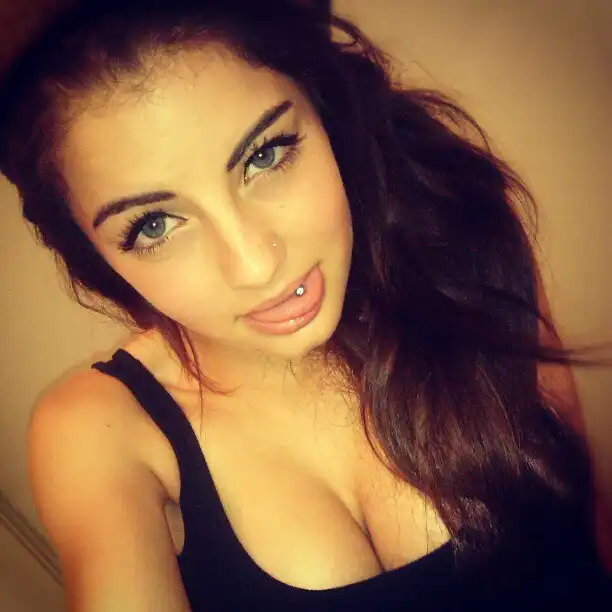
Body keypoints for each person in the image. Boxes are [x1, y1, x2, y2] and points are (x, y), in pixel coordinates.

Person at [0, 0, 610, 609]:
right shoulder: (99, 429)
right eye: (155, 225)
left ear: (322, 105)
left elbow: (589, 519)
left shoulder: (459, 237)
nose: (255, 265)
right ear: (95, 259)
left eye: (264, 155)